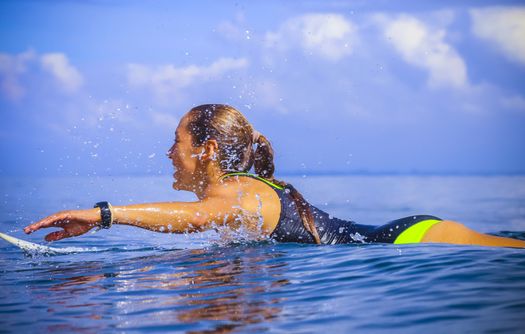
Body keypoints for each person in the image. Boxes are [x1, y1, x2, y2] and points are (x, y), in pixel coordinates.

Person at [24, 104, 525, 248]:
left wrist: (103, 214)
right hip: (415, 239)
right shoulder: (249, 191)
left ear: (208, 149)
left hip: (416, 244)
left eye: (176, 142)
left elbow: (198, 218)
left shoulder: (240, 193)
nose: (168, 153)